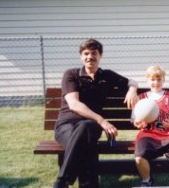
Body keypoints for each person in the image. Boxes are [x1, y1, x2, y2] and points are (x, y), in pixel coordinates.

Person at [53, 38, 138, 188]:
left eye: (94, 53)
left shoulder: (107, 75)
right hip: (66, 126)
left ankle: (62, 182)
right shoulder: (71, 74)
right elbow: (74, 105)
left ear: (100, 55)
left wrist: (132, 90)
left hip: (91, 126)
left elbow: (131, 81)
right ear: (81, 56)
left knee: (86, 128)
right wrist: (101, 120)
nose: (89, 57)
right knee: (87, 147)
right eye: (86, 53)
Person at [131, 65, 169, 187]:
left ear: (164, 79)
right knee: (139, 157)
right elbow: (134, 120)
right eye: (153, 79)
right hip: (148, 134)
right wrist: (138, 122)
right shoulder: (141, 98)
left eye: (159, 79)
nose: (156, 82)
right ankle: (147, 180)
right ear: (147, 80)